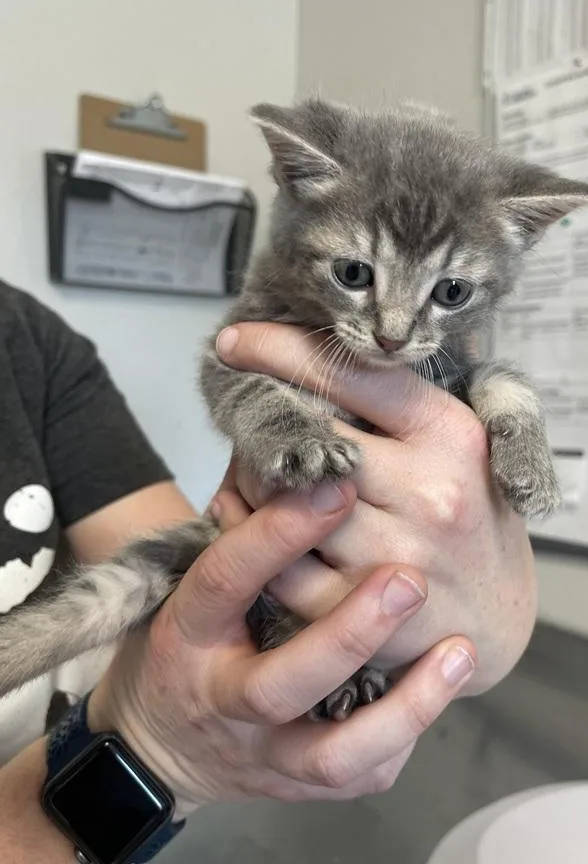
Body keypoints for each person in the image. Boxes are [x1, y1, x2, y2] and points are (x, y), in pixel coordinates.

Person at [0, 279, 536, 860]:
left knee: (140, 578)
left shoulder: (26, 341)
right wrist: (148, 745)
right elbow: (227, 376)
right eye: (356, 273)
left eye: (450, 290)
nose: (394, 328)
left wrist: (491, 625)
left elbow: (209, 591)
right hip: (103, 799)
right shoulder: (278, 311)